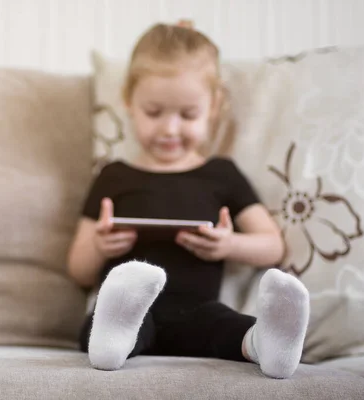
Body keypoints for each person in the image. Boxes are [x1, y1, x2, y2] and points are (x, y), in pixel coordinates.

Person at [67, 22, 309, 379]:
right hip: (131, 310)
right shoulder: (113, 176)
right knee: (101, 320)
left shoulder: (221, 175)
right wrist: (101, 246)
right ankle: (113, 342)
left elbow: (272, 245)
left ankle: (267, 345)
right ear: (128, 101)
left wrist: (229, 245)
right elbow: (78, 268)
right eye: (154, 112)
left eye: (188, 114)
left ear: (213, 107)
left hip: (198, 310)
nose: (169, 129)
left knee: (225, 325)